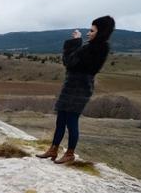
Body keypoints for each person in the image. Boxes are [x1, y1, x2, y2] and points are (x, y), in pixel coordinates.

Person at [36, 15, 115, 164]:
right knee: (61, 120)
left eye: (92, 30)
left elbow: (69, 61)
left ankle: (70, 153)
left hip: (79, 89)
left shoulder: (94, 48)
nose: (88, 33)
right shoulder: (95, 47)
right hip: (73, 87)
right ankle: (53, 149)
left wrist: (75, 41)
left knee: (71, 122)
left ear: (101, 32)